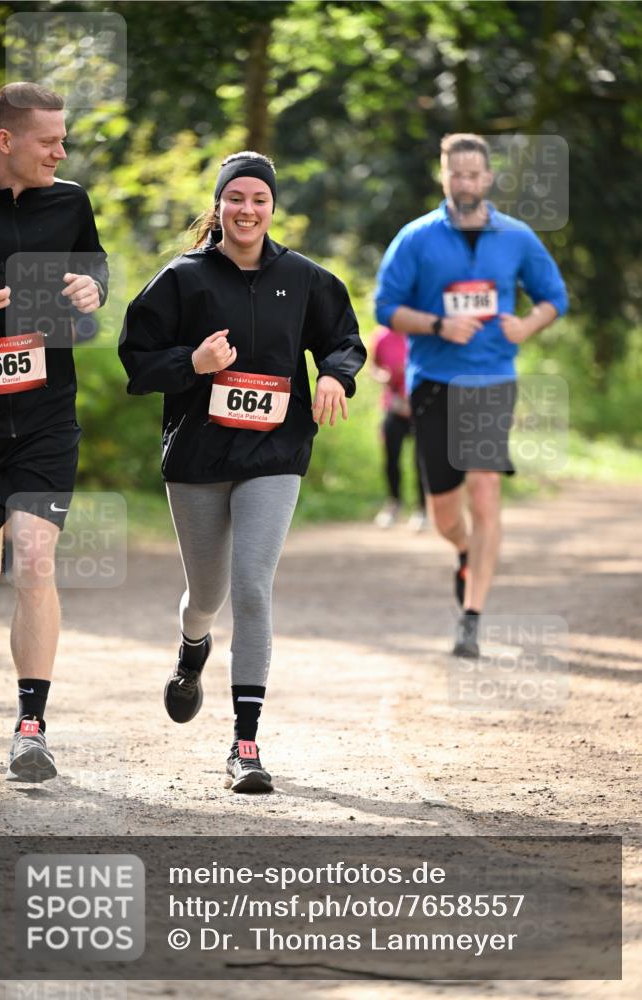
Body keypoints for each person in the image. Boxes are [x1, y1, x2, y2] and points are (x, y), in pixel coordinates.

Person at [119, 151, 365, 793]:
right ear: (219, 205)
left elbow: (344, 337)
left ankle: (245, 743)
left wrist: (337, 374)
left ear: (272, 206)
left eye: (259, 198)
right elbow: (138, 363)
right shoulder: (182, 278)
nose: (247, 209)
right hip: (200, 456)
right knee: (208, 595)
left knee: (252, 586)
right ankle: (191, 647)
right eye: (236, 198)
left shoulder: (306, 279)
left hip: (276, 454)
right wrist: (192, 362)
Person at [375, 133, 567, 658]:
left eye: (473, 174)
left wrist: (527, 326)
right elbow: (385, 308)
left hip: (490, 381)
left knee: (484, 491)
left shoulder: (517, 237)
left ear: (487, 179)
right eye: (454, 173)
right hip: (434, 385)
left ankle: (472, 618)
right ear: (444, 177)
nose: (464, 182)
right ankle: (463, 552)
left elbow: (554, 297)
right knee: (444, 514)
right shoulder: (415, 238)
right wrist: (437, 324)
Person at [0, 83, 108, 780]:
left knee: (32, 557)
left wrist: (93, 289)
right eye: (49, 140)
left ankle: (31, 726)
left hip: (46, 413)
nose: (62, 150)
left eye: (64, 139)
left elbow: (94, 269)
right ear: (5, 141)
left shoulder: (71, 201)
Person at [370, 324, 427, 531]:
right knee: (391, 457)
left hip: (421, 407)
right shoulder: (382, 336)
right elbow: (374, 366)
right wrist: (381, 376)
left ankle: (423, 509)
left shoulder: (423, 332)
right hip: (394, 406)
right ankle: (394, 503)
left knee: (421, 460)